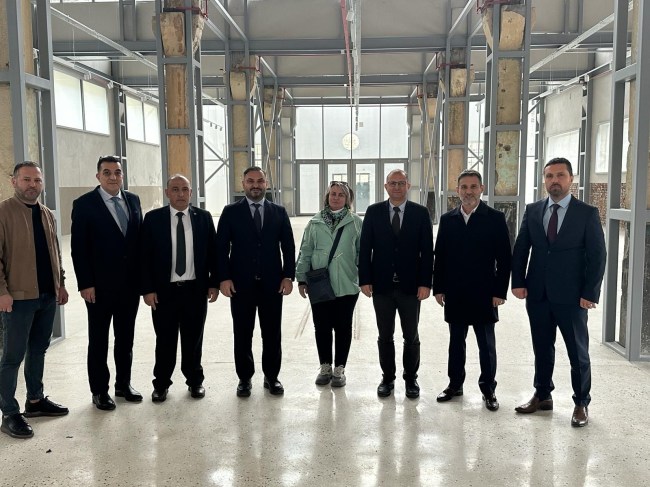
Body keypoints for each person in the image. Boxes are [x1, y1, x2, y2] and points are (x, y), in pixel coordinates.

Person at [512, 157, 606, 427]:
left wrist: (590, 293)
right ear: (544, 180)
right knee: (542, 347)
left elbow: (598, 255)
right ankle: (542, 395)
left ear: (571, 179)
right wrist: (518, 282)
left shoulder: (586, 213)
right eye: (550, 176)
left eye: (560, 175)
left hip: (573, 297)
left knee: (578, 353)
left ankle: (581, 403)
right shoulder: (533, 210)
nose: (555, 180)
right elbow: (521, 248)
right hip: (538, 294)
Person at [0, 161, 69, 439]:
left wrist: (60, 283)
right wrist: (2, 292)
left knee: (38, 349)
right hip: (18, 298)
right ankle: (9, 412)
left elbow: (55, 251)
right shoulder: (4, 212)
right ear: (14, 182)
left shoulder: (47, 213)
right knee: (12, 356)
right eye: (26, 179)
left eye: (37, 180)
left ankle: (35, 401)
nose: (33, 185)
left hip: (47, 295)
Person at [432, 170, 512, 411]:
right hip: (455, 292)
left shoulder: (495, 218)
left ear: (482, 189)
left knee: (486, 345)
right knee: (456, 342)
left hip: (484, 293)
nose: (468, 191)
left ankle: (488, 389)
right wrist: (439, 288)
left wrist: (499, 292)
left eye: (473, 187)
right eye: (464, 187)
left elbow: (505, 259)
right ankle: (455, 384)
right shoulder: (448, 219)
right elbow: (440, 256)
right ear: (457, 190)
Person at [71, 155, 143, 411]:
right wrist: (85, 283)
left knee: (126, 338)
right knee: (99, 340)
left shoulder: (133, 200)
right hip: (99, 287)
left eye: (117, 172)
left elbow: (138, 243)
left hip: (129, 286)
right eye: (107, 172)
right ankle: (99, 390)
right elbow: (78, 248)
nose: (113, 177)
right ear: (98, 176)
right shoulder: (84, 204)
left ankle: (123, 384)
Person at [216, 166, 295, 397]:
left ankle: (272, 377)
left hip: (273, 284)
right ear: (243, 184)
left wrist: (288, 276)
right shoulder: (230, 212)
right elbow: (221, 248)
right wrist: (224, 278)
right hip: (240, 285)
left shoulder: (279, 212)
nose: (255, 185)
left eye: (260, 181)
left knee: (272, 333)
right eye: (250, 181)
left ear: (266, 184)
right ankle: (244, 378)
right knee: (242, 333)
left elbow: (288, 246)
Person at [140, 174, 218, 402]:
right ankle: (161, 384)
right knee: (165, 340)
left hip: (195, 290)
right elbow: (144, 258)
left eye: (185, 189)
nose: (180, 194)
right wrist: (147, 289)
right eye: (175, 189)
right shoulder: (153, 219)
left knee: (193, 339)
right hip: (164, 292)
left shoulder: (203, 218)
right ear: (167, 193)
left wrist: (214, 283)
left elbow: (213, 253)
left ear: (191, 193)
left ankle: (195, 381)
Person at [359, 169, 434, 399]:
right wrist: (365, 279)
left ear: (408, 185)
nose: (397, 187)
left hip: (411, 287)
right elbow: (365, 248)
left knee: (411, 335)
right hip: (381, 286)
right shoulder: (373, 212)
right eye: (393, 183)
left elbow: (427, 252)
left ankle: (411, 379)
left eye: (401, 183)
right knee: (385, 335)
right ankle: (387, 378)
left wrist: (426, 283)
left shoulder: (420, 213)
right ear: (386, 186)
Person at [296, 181, 363, 387]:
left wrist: (363, 278)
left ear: (347, 199)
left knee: (343, 327)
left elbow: (362, 253)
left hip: (347, 284)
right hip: (320, 284)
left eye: (341, 195)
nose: (336, 197)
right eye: (333, 193)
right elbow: (305, 251)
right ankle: (325, 366)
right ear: (327, 196)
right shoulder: (314, 222)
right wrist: (301, 278)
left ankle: (339, 369)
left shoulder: (355, 222)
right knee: (322, 327)